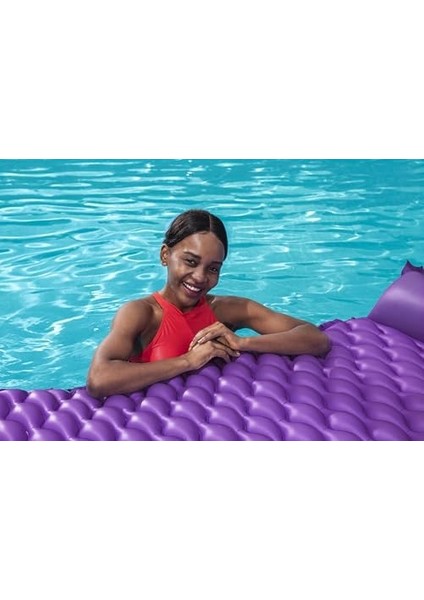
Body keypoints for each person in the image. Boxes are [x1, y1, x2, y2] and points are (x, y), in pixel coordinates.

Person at [87, 209, 331, 398]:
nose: (200, 277)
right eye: (191, 262)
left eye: (213, 268)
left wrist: (242, 342)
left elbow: (315, 338)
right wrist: (188, 361)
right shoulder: (142, 313)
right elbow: (99, 379)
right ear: (165, 255)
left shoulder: (227, 310)